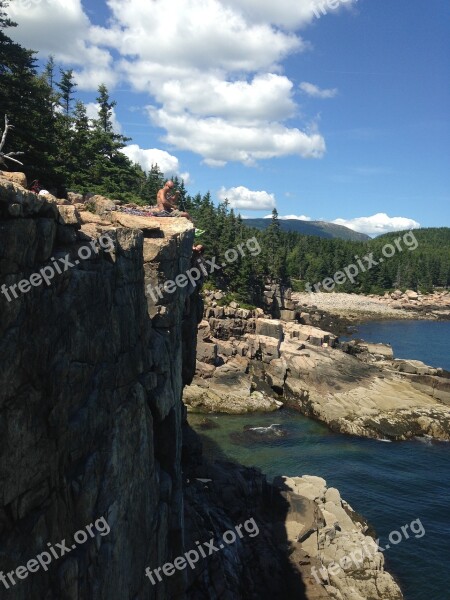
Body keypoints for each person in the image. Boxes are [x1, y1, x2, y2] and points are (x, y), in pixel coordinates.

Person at [155, 181, 205, 253]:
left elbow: (172, 201)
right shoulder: (162, 191)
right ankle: (193, 228)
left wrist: (176, 194)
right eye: (170, 187)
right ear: (165, 185)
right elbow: (163, 201)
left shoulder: (167, 193)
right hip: (165, 211)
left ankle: (193, 227)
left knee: (185, 214)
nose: (170, 189)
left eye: (172, 188)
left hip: (169, 210)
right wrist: (173, 207)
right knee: (186, 214)